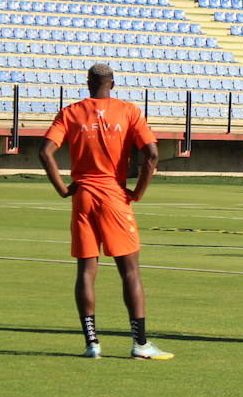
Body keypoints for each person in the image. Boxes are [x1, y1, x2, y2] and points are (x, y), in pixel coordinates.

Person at [38, 63, 171, 361]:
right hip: (113, 194)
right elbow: (152, 155)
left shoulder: (71, 112)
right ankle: (140, 344)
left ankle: (92, 343)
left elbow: (44, 152)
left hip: (83, 196)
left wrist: (62, 188)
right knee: (130, 271)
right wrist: (138, 192)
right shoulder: (129, 111)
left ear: (88, 82)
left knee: (86, 270)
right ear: (113, 83)